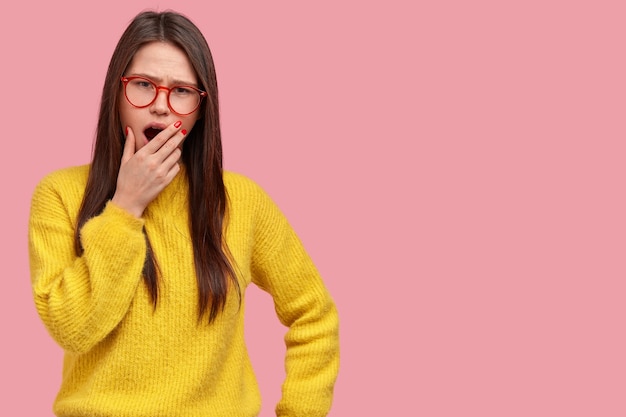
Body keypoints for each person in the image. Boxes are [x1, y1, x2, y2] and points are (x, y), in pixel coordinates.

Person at [28, 10, 339, 417]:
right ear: (116, 92)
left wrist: (301, 410)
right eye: (143, 85)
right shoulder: (60, 194)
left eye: (181, 92)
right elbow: (72, 328)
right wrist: (125, 208)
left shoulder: (241, 202)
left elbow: (314, 315)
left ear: (200, 107)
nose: (160, 106)